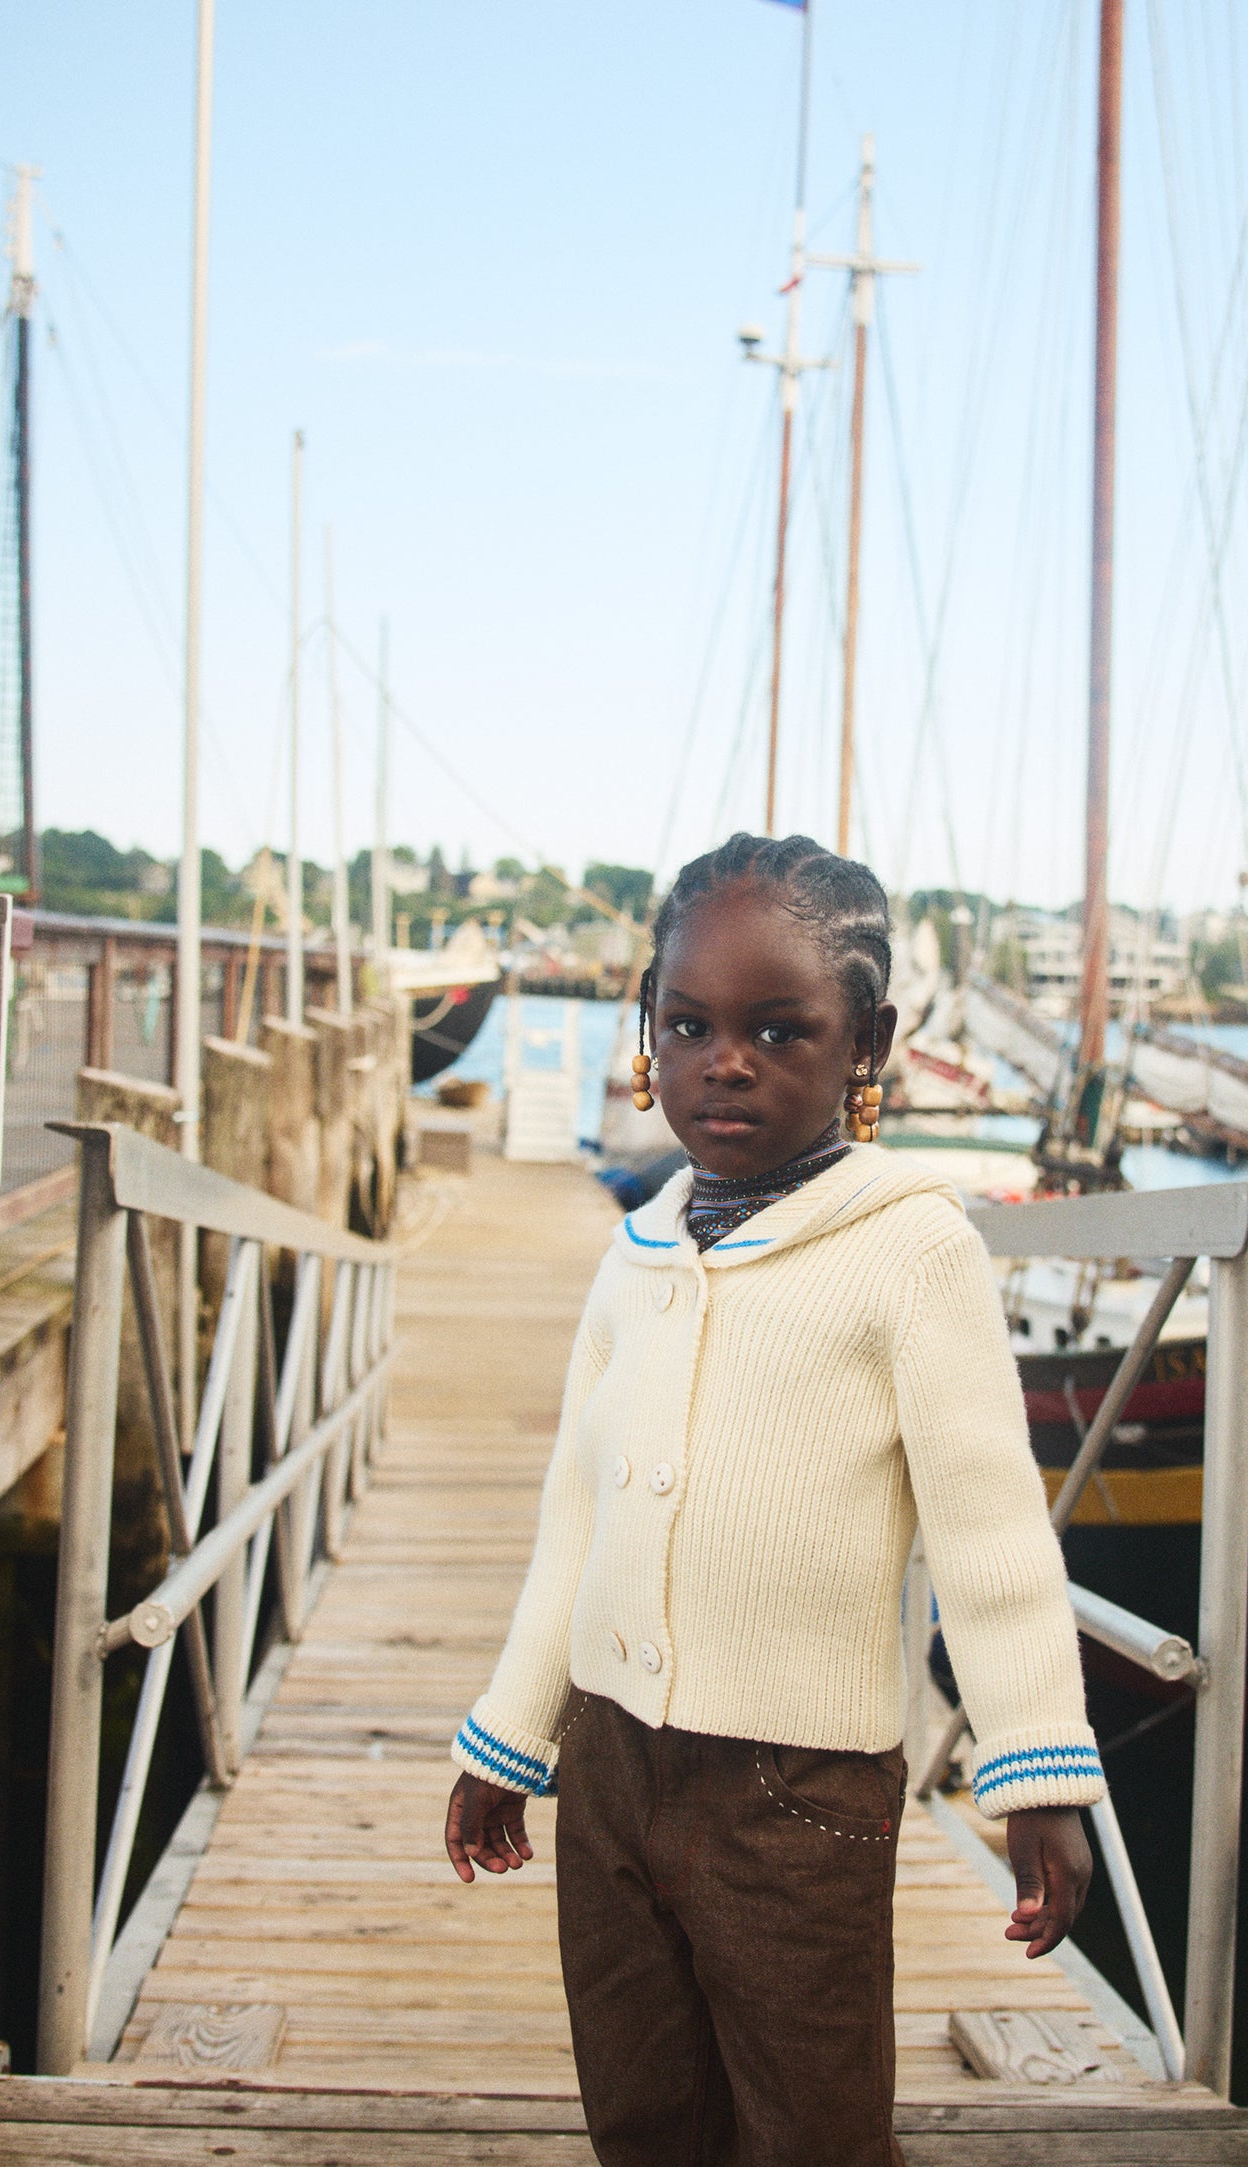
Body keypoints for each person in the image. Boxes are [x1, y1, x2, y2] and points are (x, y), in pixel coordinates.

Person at [444, 834, 1103, 2167]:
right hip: (613, 1769)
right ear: (647, 1029)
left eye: (777, 1029)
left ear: (866, 1042)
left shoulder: (909, 1246)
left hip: (798, 1794)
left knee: (809, 2123)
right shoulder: (634, 1255)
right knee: (640, 2105)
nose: (721, 1060)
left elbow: (987, 1534)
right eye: (685, 1024)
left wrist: (1035, 1763)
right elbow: (576, 1512)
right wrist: (511, 1734)